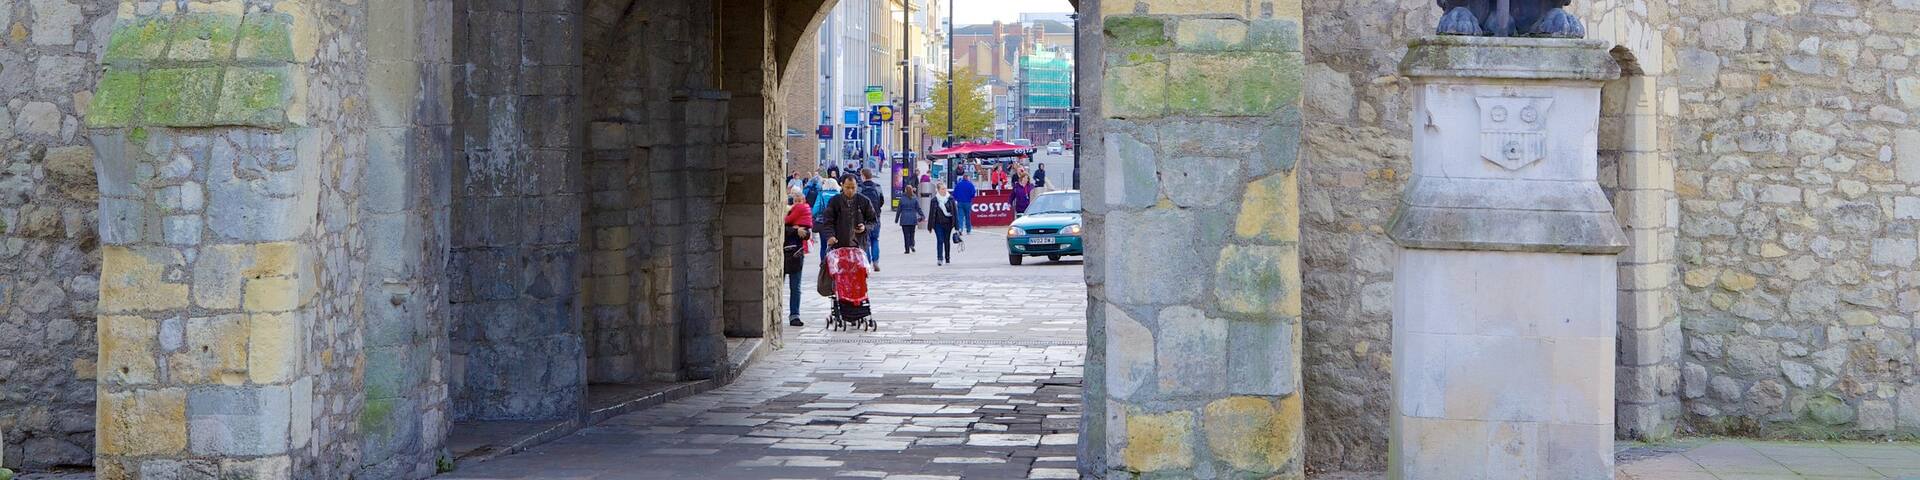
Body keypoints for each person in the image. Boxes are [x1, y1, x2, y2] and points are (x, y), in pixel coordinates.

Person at [817, 174, 877, 259]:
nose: (850, 190)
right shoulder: (835, 201)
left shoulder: (864, 201)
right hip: (839, 246)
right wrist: (830, 236)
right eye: (847, 187)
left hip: (859, 246)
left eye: (853, 187)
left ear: (857, 186)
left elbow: (873, 220)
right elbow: (828, 221)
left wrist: (865, 227)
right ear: (842, 186)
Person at [782, 187, 812, 327]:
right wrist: (794, 230)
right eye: (795, 201)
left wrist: (799, 230)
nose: (798, 203)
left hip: (796, 254)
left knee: (796, 286)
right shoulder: (788, 212)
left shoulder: (804, 214)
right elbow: (782, 228)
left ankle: (794, 315)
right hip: (783, 252)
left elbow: (807, 234)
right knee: (780, 285)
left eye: (800, 201)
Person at [857, 169, 887, 271]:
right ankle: (876, 261)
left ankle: (868, 262)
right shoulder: (877, 187)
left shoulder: (860, 187)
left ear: (863, 176)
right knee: (875, 239)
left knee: (866, 241)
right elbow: (881, 201)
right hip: (876, 217)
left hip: (864, 218)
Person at [928, 183, 960, 266]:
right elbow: (931, 213)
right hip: (937, 224)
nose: (944, 190)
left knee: (947, 241)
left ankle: (947, 257)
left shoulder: (950, 199)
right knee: (940, 240)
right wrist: (930, 226)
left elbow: (955, 213)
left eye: (945, 188)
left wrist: (957, 226)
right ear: (938, 190)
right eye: (942, 189)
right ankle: (940, 258)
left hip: (948, 224)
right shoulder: (934, 200)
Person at [811, 178, 841, 261]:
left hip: (823, 222)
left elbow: (815, 210)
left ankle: (823, 264)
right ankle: (834, 263)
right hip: (836, 223)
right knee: (835, 245)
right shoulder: (839, 195)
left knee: (823, 245)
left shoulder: (821, 194)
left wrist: (814, 216)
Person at [895, 185, 922, 254]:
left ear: (905, 190)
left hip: (904, 218)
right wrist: (922, 215)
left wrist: (896, 219)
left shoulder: (902, 199)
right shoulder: (914, 198)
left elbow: (899, 210)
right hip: (913, 218)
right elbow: (918, 208)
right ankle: (912, 244)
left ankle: (907, 249)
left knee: (906, 235)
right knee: (912, 233)